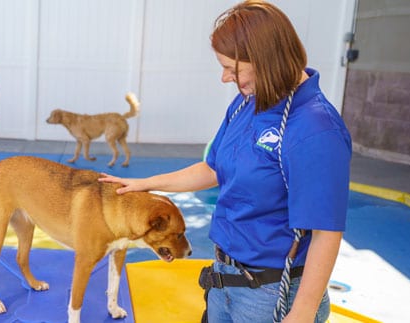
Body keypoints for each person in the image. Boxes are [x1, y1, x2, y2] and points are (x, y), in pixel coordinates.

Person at [99, 1, 351, 322]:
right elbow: (213, 168)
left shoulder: (315, 129)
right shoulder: (248, 103)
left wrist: (301, 312)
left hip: (271, 294)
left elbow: (326, 232)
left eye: (232, 68)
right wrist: (145, 184)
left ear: (267, 61)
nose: (224, 78)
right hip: (225, 279)